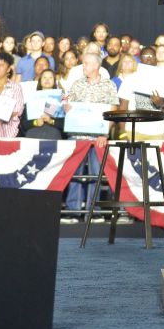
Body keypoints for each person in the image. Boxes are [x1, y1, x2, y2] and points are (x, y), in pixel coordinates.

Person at [63, 52, 119, 220]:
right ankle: (74, 212)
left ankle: (92, 212)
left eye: (86, 63)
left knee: (96, 174)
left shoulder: (108, 85)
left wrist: (104, 133)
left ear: (96, 65)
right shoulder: (77, 84)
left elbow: (113, 112)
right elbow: (68, 106)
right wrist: (67, 108)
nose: (83, 67)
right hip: (77, 135)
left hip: (98, 138)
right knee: (74, 174)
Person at [20, 69, 63, 140]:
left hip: (53, 134)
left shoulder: (59, 99)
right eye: (44, 77)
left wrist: (51, 121)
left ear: (55, 81)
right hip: (33, 134)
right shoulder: (32, 97)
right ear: (40, 80)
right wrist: (35, 122)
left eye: (50, 78)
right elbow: (24, 124)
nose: (47, 80)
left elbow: (63, 124)